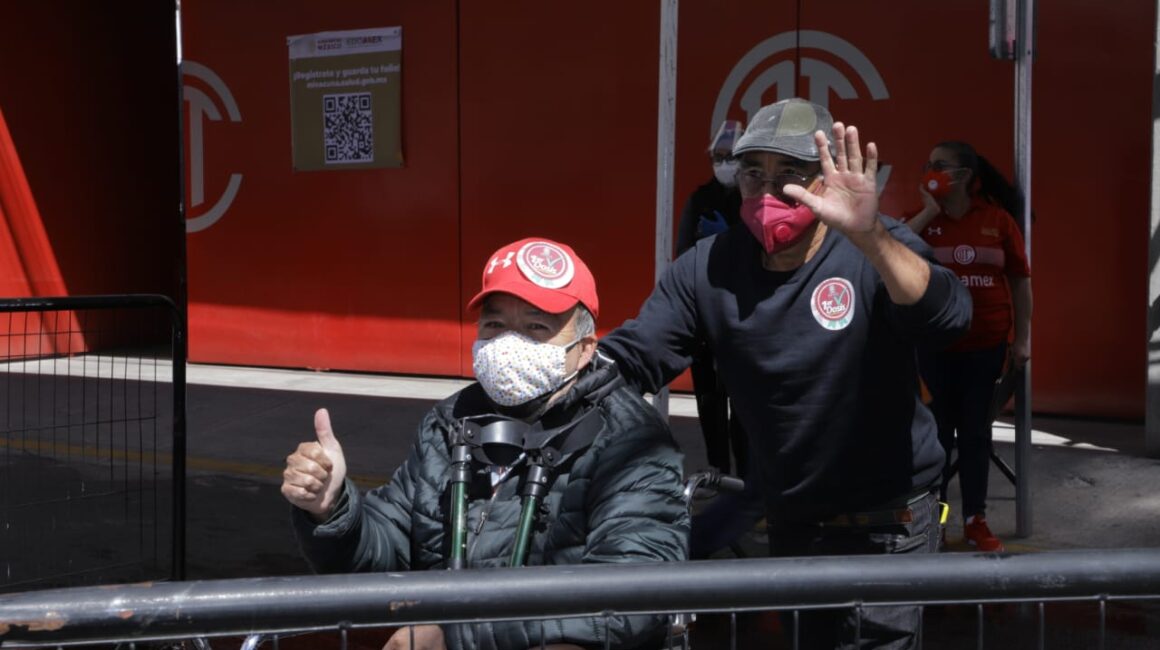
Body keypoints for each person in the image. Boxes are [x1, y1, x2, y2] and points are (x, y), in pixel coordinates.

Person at [599, 98, 973, 650]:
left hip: (888, 525)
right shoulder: (709, 266)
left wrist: (870, 236)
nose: (770, 193)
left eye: (791, 175)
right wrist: (550, 374)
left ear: (826, 180)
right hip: (792, 520)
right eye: (755, 174)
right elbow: (634, 357)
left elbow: (948, 317)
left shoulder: (874, 247)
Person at [281, 237, 689, 650]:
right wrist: (331, 509)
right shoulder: (450, 422)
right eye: (495, 325)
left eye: (536, 327)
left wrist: (454, 634)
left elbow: (631, 599)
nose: (509, 344)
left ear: (584, 350)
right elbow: (386, 552)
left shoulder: (631, 440)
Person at [904, 141, 1033, 553]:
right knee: (937, 438)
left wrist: (1022, 339)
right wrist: (929, 211)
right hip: (934, 349)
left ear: (963, 175)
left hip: (986, 348)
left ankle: (976, 520)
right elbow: (890, 249)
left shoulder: (997, 221)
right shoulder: (922, 221)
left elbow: (1020, 282)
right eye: (928, 163)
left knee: (976, 435)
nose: (930, 171)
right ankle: (938, 522)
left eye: (939, 165)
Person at [674, 118, 748, 478]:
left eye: (731, 156)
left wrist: (730, 237)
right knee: (709, 399)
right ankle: (718, 471)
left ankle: (748, 478)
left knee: (745, 403)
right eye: (718, 157)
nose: (724, 163)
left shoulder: (758, 201)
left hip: (745, 313)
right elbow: (682, 254)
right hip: (706, 312)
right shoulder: (701, 199)